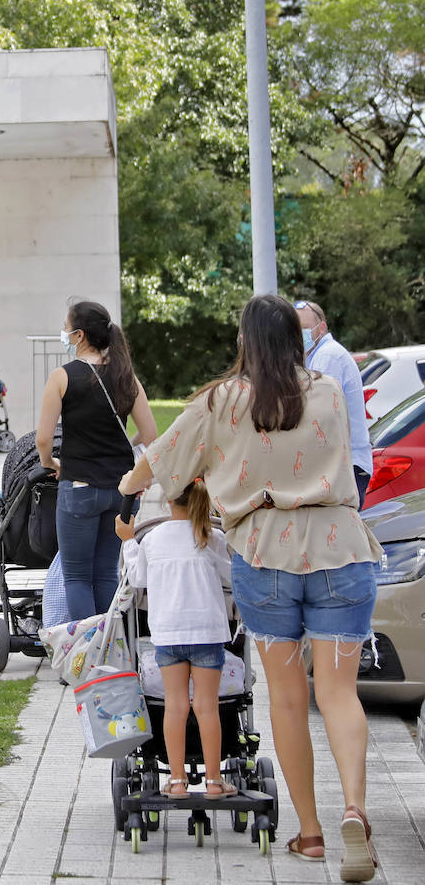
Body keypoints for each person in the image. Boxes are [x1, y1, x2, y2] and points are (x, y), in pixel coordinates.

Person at [119, 294, 385, 881]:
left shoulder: (220, 402)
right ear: (298, 337)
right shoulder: (329, 391)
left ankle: (311, 834)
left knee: (288, 699)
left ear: (244, 342)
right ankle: (355, 810)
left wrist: (129, 481)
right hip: (340, 547)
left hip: (266, 555)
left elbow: (159, 464)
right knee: (339, 694)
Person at [36, 300, 158, 620]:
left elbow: (43, 439)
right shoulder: (126, 377)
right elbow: (150, 434)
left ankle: (85, 659)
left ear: (78, 335)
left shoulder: (62, 377)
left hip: (78, 485)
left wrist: (50, 463)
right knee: (106, 573)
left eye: (66, 327)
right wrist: (124, 445)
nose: (63, 332)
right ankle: (108, 656)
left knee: (77, 576)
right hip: (120, 489)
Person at [116, 478, 233, 799]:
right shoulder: (212, 538)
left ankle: (178, 780)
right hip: (208, 634)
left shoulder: (152, 539)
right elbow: (232, 576)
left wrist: (128, 541)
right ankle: (213, 781)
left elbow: (138, 578)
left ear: (169, 501)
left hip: (168, 634)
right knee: (207, 706)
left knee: (176, 706)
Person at [295, 300, 373, 507]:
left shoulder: (327, 357)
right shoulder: (317, 356)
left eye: (304, 328)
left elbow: (318, 415)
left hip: (346, 466)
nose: (299, 334)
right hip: (344, 465)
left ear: (322, 327)